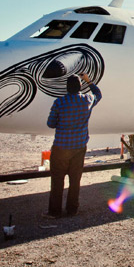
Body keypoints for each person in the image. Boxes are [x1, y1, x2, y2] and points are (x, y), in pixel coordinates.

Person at [46, 72, 102, 217]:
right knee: (75, 180)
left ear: (66, 87)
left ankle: (54, 212)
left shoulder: (59, 102)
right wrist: (88, 81)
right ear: (80, 86)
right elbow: (98, 94)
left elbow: (50, 124)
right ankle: (72, 210)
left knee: (57, 181)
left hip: (61, 148)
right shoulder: (87, 100)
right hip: (79, 147)